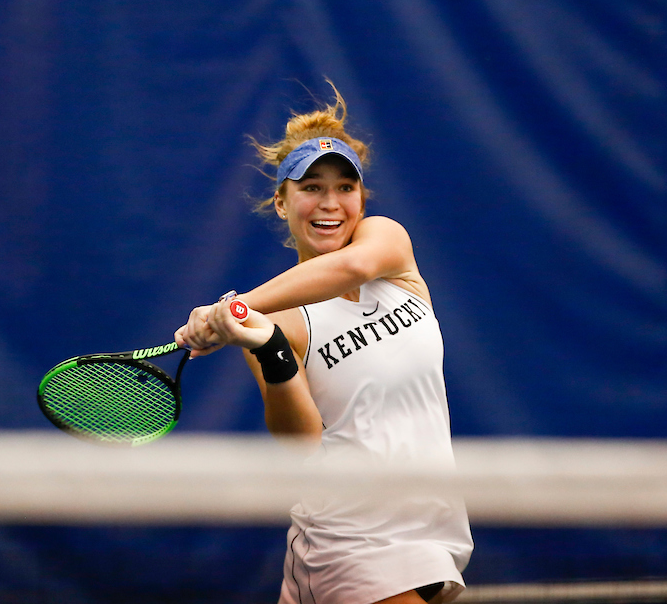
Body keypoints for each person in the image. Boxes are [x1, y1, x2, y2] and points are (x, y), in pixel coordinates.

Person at [175, 85, 472, 604]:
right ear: (281, 201)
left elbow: (352, 266)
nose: (330, 203)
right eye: (311, 187)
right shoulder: (276, 323)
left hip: (433, 528)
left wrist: (231, 310)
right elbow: (302, 443)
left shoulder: (389, 249)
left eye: (345, 187)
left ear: (362, 199)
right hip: (350, 539)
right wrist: (267, 345)